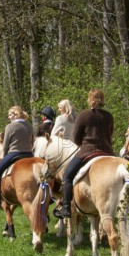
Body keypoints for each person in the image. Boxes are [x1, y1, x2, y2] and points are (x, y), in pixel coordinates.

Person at [54, 89, 114, 219]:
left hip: (87, 152)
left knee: (67, 176)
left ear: (89, 99)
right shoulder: (109, 116)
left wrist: (84, 143)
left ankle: (66, 209)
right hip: (108, 152)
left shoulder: (83, 115)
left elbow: (76, 138)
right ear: (102, 100)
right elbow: (110, 134)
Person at [0, 106, 34, 208]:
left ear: (15, 114)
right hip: (29, 154)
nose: (9, 117)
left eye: (10, 114)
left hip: (14, 154)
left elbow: (5, 145)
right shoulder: (29, 125)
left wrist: (4, 156)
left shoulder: (10, 126)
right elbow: (32, 141)